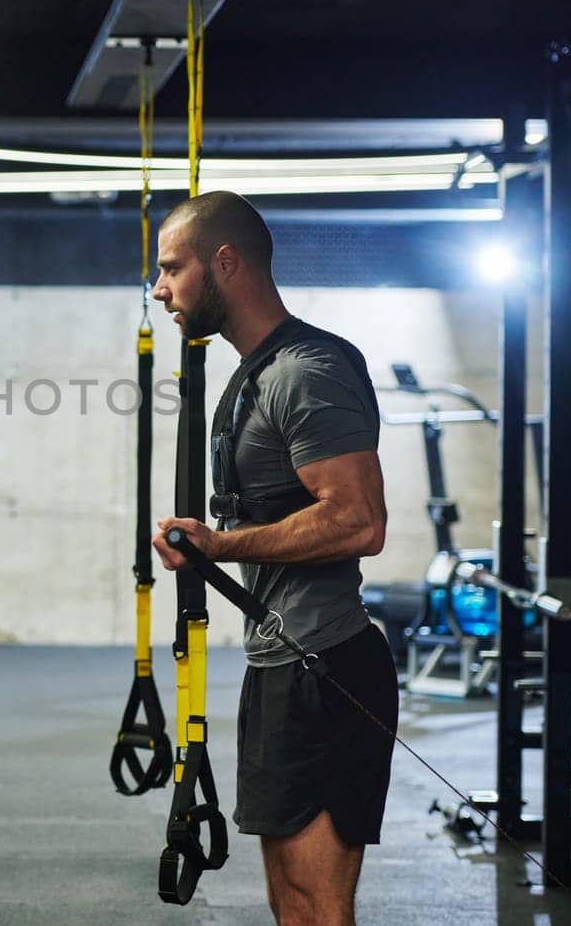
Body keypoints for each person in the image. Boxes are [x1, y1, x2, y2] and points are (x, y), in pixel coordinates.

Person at [148, 191, 397, 926]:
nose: (160, 289)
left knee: (319, 906)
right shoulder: (251, 374)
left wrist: (219, 546)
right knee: (288, 902)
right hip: (278, 665)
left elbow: (359, 519)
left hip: (327, 667)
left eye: (173, 269)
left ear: (225, 263)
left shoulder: (306, 371)